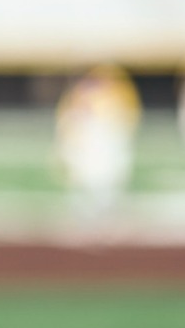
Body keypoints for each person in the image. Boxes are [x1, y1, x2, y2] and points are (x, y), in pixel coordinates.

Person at [54, 65, 141, 219]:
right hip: (90, 155)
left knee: (106, 195)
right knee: (86, 196)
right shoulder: (81, 101)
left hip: (104, 152)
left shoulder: (112, 100)